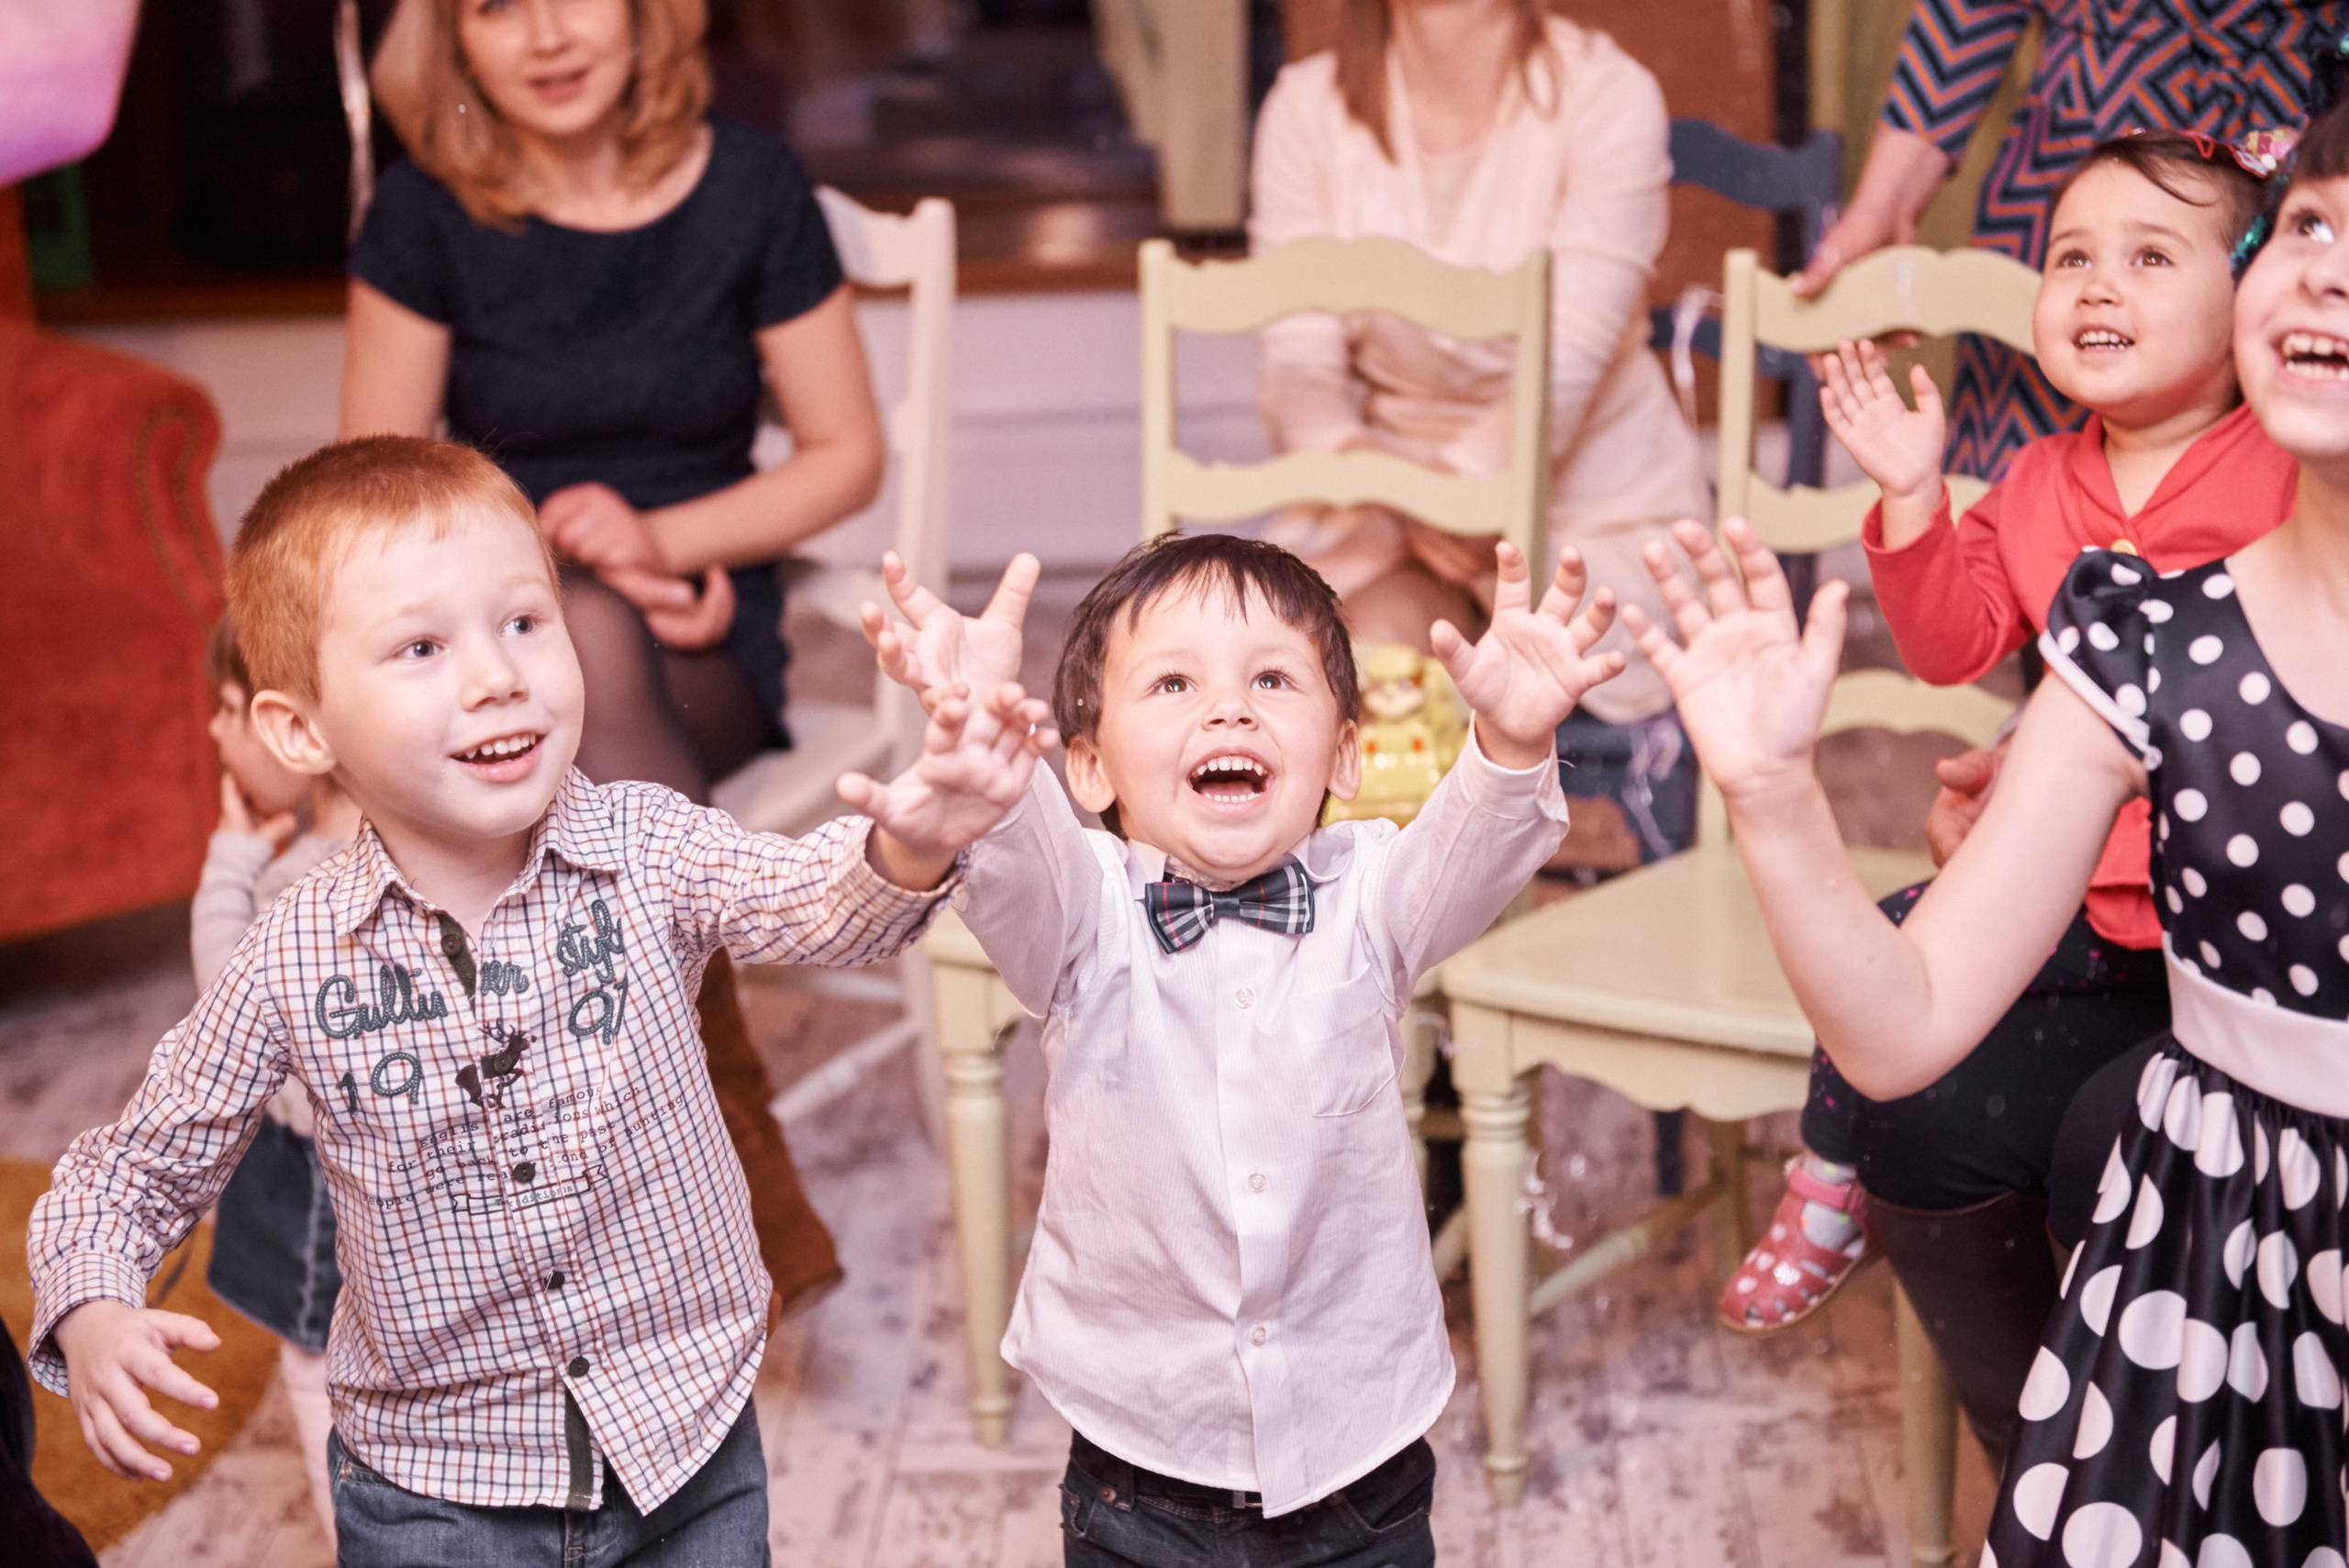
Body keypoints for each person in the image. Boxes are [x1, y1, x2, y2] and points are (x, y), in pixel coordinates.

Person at [24, 436, 1052, 1562]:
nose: (496, 675)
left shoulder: (646, 846)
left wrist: (918, 837)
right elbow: (135, 1166)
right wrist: (93, 1304)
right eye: (422, 646)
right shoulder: (290, 955)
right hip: (435, 1485)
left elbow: (817, 904)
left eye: (524, 620)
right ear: (301, 729)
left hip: (685, 1439)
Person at [1627, 87, 2349, 1562]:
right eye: (2313, 227)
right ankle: (2035, 1441)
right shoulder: (2120, 595)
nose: (2328, 274)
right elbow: (1963, 651)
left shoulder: (2266, 470)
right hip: (2156, 1025)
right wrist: (1775, 785)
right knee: (1951, 1100)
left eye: (2153, 256)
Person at [860, 531, 1618, 1563]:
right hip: (1140, 1463)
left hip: (1360, 1454)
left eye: (1271, 679)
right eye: (1174, 683)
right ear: (1090, 767)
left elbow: (1473, 852)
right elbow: (1021, 861)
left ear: (1343, 755)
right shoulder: (1084, 918)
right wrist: (989, 743)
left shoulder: (1372, 898)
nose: (1229, 710)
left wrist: (1513, 742)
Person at [345, 0, 890, 1314]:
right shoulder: (421, 216)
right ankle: (728, 1176)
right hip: (494, 636)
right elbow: (371, 499)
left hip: (694, 638)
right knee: (559, 659)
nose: (546, 33)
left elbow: (846, 455)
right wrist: (532, 562)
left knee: (585, 664)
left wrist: (661, 541)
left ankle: (622, 1211)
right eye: (496, 4)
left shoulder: (751, 185)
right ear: (451, 39)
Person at [1249, 0, 1709, 863]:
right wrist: (1410, 507)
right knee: (1339, 667)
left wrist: (1423, 508)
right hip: (1384, 508)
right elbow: (1302, 382)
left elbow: (1557, 385)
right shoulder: (1305, 111)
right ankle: (1384, 933)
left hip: (1592, 518)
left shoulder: (1609, 96)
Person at [1797, 0, 2340, 480]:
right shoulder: (2026, 488)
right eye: (2074, 260)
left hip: (2303, 136)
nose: (2098, 289)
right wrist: (1884, 207)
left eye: (2151, 258)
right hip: (2080, 130)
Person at [192, 617, 365, 1539]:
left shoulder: (293, 884)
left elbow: (229, 1022)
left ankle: (357, 1540)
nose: (214, 732)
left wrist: (230, 860)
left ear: (292, 726)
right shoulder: (403, 848)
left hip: (319, 1182)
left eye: (228, 709)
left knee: (316, 1361)